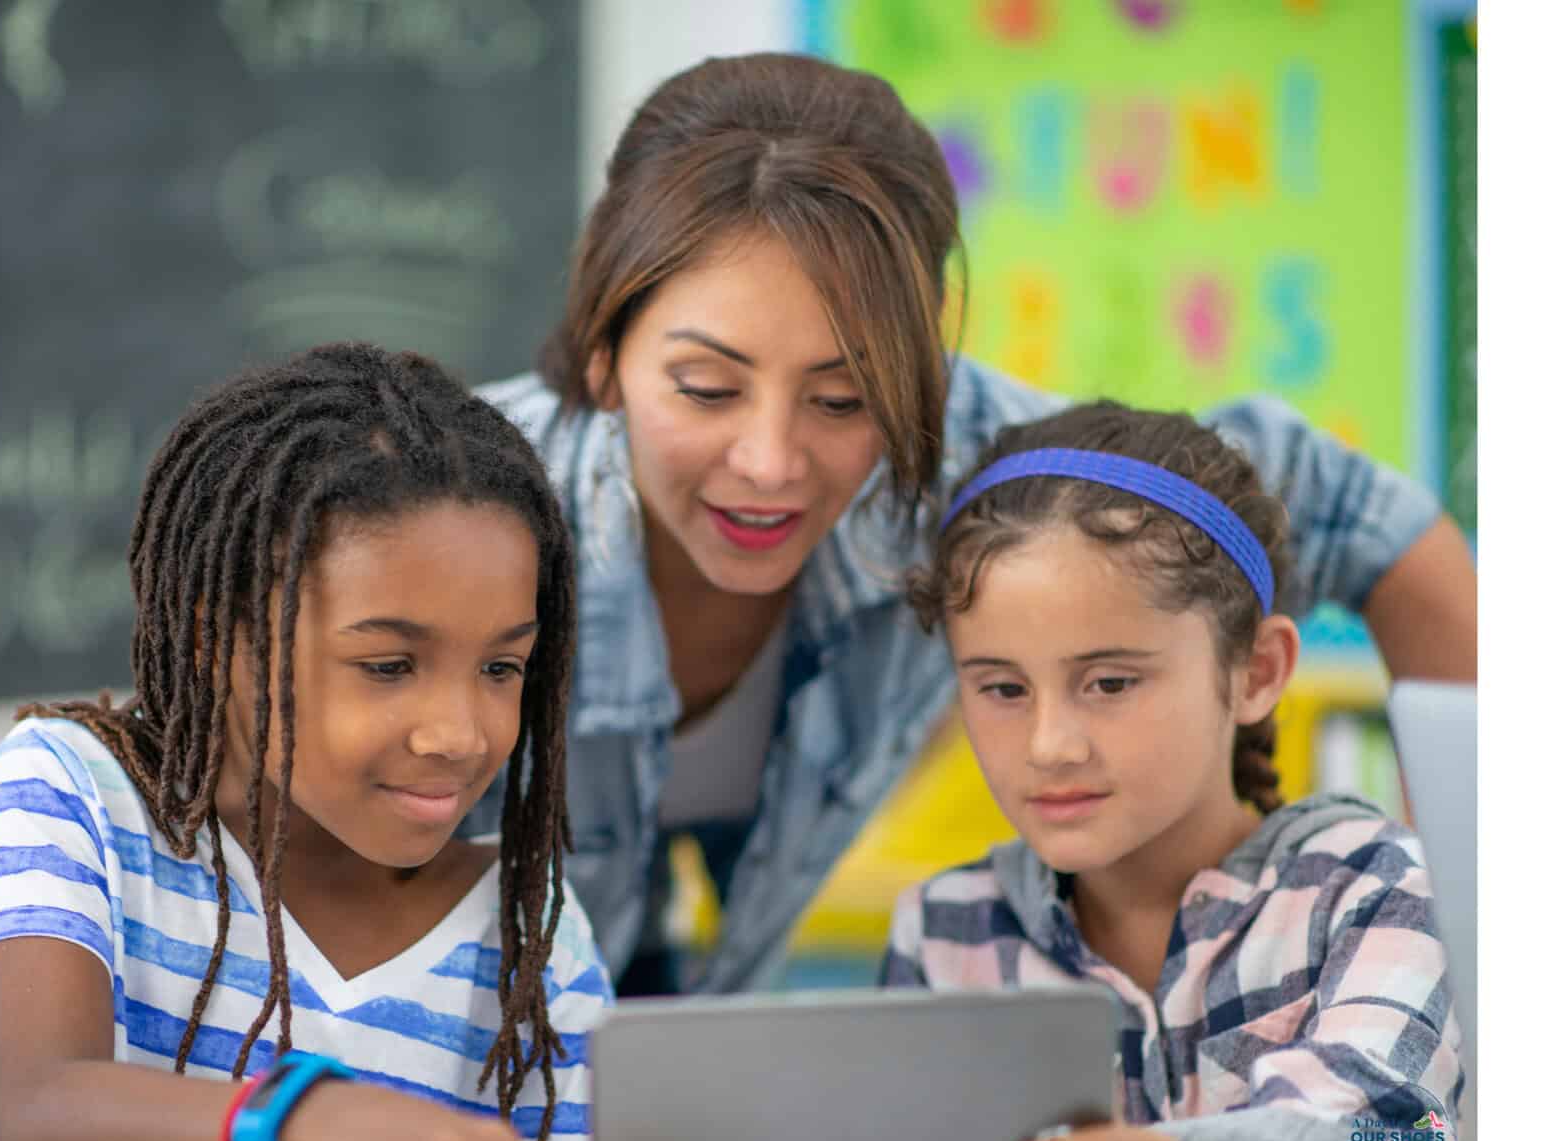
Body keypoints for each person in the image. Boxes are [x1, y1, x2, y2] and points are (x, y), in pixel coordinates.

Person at [460, 51, 1479, 996]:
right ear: (601, 352)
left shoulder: (999, 469)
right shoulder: (456, 503)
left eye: (845, 399)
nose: (771, 462)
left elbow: (1366, 519)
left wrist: (1468, 934)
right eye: (706, 387)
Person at [0, 344, 611, 1141]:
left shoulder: (529, 929)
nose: (458, 734)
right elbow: (33, 1129)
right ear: (222, 643)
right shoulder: (78, 795)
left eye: (502, 669)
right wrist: (307, 1124)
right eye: (390, 666)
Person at [881, 401, 1469, 1141]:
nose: (1051, 744)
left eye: (1110, 682)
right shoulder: (941, 936)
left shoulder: (1376, 886)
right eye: (1002, 687)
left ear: (1256, 672)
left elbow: (1407, 1132)